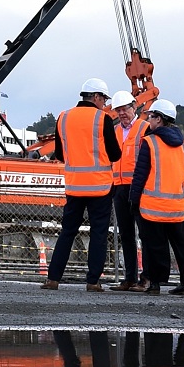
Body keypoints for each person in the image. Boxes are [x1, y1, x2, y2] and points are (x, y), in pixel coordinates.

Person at [42, 76, 119, 291]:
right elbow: (114, 154)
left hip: (74, 186)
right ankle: (93, 281)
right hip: (100, 187)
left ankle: (53, 279)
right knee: (99, 233)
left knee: (67, 231)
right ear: (96, 97)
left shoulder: (63, 117)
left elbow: (60, 154)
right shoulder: (101, 119)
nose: (105, 104)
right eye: (104, 99)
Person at [130, 99, 184, 295]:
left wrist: (133, 199)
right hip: (176, 206)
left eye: (151, 116)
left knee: (153, 246)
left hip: (152, 205)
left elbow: (140, 174)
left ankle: (155, 283)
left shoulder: (150, 142)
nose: (149, 120)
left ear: (159, 119)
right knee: (182, 247)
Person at [108, 89, 148, 291]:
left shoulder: (144, 128)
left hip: (139, 188)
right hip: (120, 187)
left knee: (145, 233)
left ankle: (146, 278)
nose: (122, 113)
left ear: (134, 107)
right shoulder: (114, 132)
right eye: (118, 110)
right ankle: (130, 277)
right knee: (126, 234)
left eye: (125, 109)